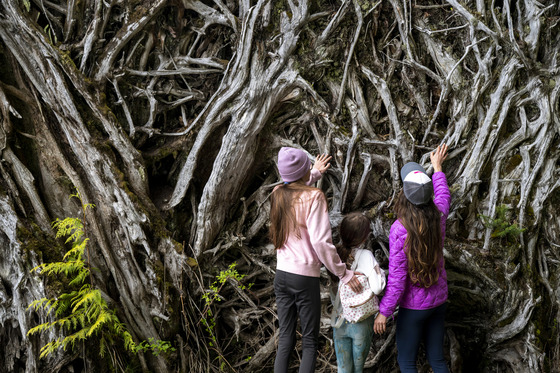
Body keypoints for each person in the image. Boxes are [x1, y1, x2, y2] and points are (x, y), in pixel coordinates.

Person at [270, 147, 362, 373]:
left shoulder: (277, 194)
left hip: (281, 276)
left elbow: (293, 189)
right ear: (303, 170)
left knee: (286, 338)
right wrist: (343, 273)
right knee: (310, 341)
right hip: (304, 279)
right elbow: (321, 243)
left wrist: (312, 175)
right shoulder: (314, 197)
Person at [373, 144, 451, 373]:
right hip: (439, 301)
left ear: (405, 195)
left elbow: (398, 278)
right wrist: (437, 168)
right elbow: (444, 195)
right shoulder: (439, 215)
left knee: (407, 362)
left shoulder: (400, 229)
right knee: (437, 360)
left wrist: (384, 312)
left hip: (414, 307)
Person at [330, 212, 386, 373]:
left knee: (343, 367)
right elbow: (377, 287)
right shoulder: (366, 256)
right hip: (361, 320)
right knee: (358, 368)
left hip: (339, 319)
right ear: (364, 237)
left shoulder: (335, 254)